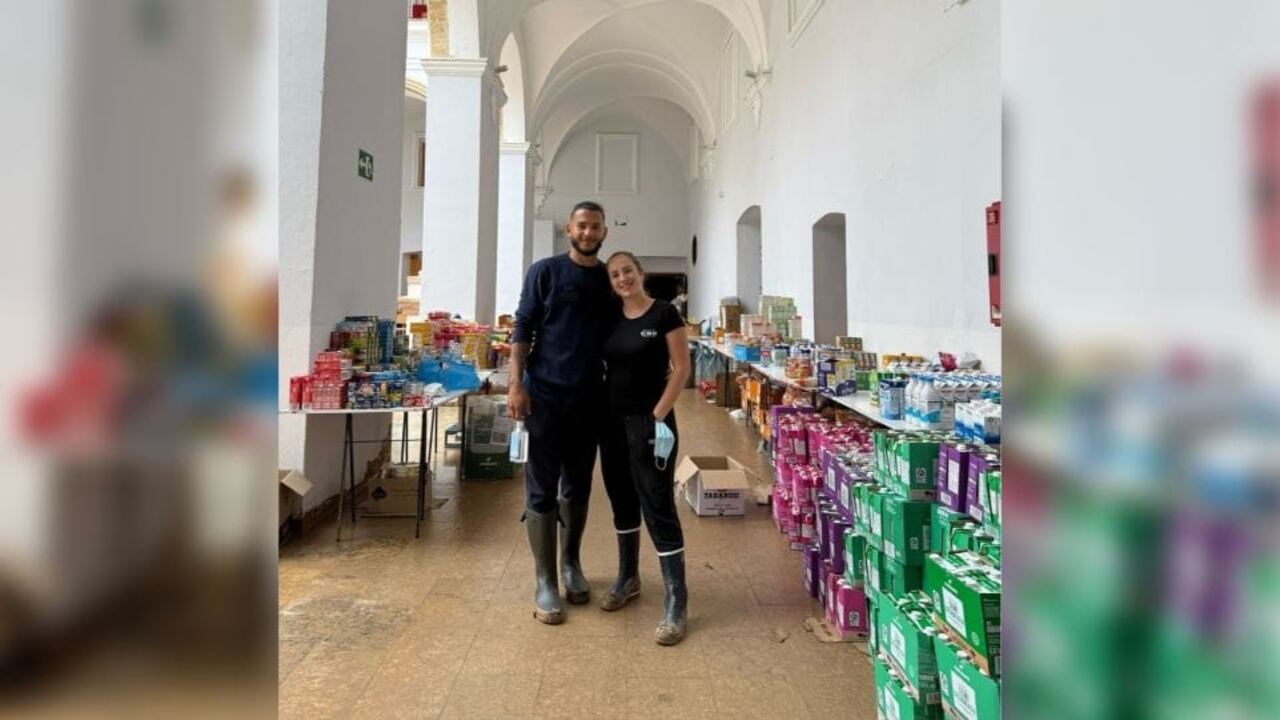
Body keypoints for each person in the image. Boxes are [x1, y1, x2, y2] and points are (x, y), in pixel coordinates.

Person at [509, 201, 616, 624]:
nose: (588, 233)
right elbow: (522, 327)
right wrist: (515, 384)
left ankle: (571, 564)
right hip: (543, 398)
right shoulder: (545, 272)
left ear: (605, 232)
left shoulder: (608, 280)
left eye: (595, 227)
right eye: (582, 226)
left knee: (578, 487)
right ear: (569, 229)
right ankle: (545, 580)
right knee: (541, 486)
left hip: (589, 399)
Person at [596, 251, 691, 645]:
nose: (622, 279)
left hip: (651, 424)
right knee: (621, 500)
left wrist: (658, 412)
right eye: (615, 274)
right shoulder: (609, 316)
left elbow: (682, 367)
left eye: (628, 272)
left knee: (657, 504)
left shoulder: (664, 313)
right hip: (611, 424)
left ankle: (676, 600)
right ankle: (628, 577)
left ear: (641, 273)